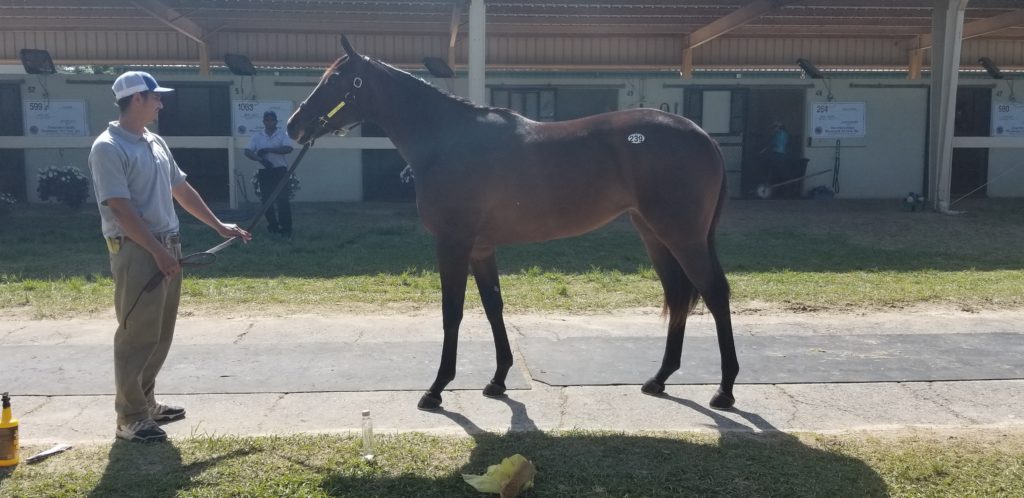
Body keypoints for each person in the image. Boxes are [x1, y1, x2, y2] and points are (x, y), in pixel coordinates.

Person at [89, 71, 251, 443]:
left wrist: (217, 225)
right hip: (137, 248)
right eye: (155, 97)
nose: (161, 103)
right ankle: (130, 417)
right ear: (136, 100)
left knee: (160, 332)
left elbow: (180, 188)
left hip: (166, 244)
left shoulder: (153, 141)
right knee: (136, 334)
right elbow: (121, 211)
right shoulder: (108, 147)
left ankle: (145, 402)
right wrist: (159, 252)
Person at [244, 111, 295, 237]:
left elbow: (288, 148)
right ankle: (273, 226)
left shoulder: (282, 134)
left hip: (280, 170)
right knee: (266, 201)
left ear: (276, 121)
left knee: (283, 200)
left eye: (272, 119)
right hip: (264, 171)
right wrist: (260, 159)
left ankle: (286, 228)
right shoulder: (257, 136)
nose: (269, 122)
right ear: (263, 121)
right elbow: (247, 151)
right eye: (267, 119)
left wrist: (268, 150)